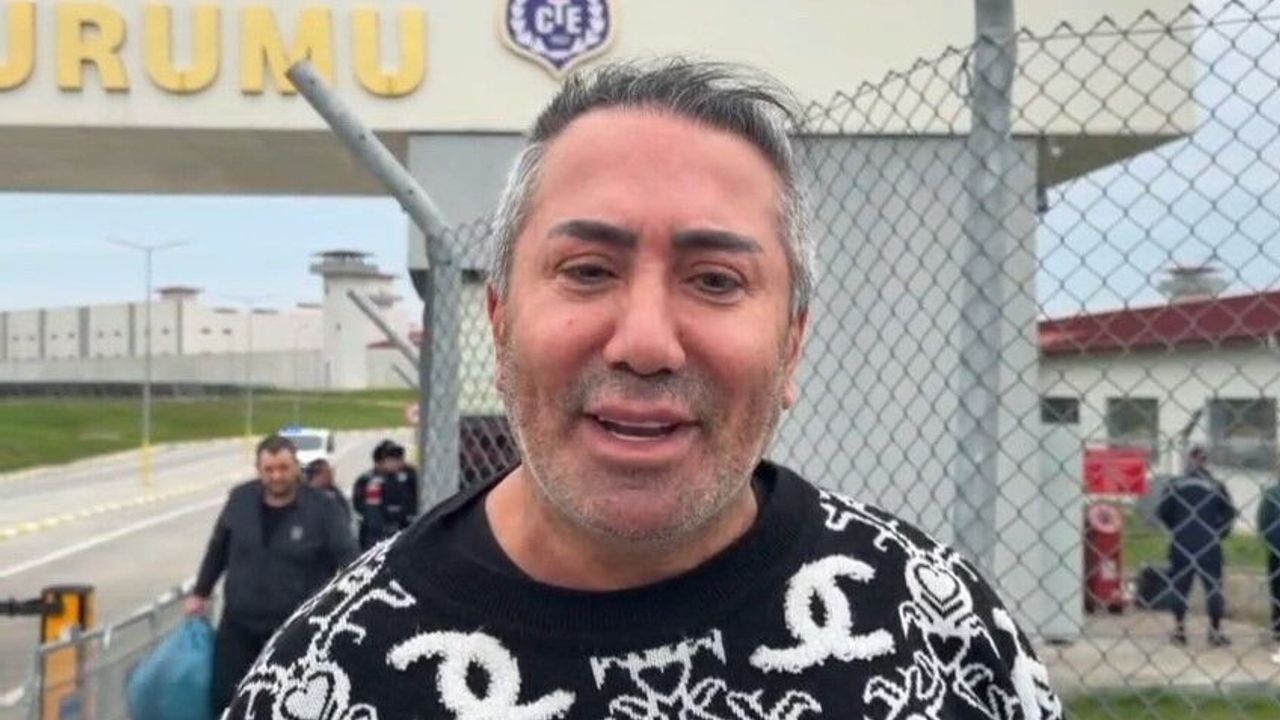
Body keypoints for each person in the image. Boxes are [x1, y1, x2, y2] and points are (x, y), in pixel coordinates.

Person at [225, 59, 1063, 719]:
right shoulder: (327, 678)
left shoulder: (940, 632)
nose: (646, 344)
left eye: (715, 280)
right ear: (501, 323)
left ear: (792, 346)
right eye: (588, 270)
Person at [185, 434, 359, 715]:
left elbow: (348, 559)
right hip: (239, 628)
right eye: (269, 469)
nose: (277, 476)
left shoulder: (324, 509)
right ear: (258, 470)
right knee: (228, 702)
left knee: (286, 707)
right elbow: (218, 548)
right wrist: (200, 592)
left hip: (295, 633)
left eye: (284, 468)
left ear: (296, 467)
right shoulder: (240, 499)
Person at [1158, 445, 1238, 646]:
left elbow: (1163, 512)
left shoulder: (1175, 485)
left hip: (1182, 542)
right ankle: (1214, 632)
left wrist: (1177, 528)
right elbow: (1229, 513)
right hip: (1209, 542)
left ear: (1188, 460)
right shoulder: (1216, 485)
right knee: (1213, 588)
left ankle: (1179, 631)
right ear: (1206, 461)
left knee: (1180, 588)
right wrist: (1219, 533)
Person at [351, 440, 419, 550]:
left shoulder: (409, 477)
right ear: (379, 462)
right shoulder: (371, 481)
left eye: (399, 458)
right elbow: (371, 516)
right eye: (391, 459)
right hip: (378, 536)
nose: (397, 462)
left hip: (406, 531)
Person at [1258, 462, 1280, 658]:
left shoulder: (1272, 493)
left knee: (1277, 590)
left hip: (1276, 549)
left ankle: (1278, 628)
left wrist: (1270, 541)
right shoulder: (1272, 493)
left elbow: (1263, 521)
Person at [305, 457, 352, 524]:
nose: (331, 475)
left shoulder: (336, 493)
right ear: (316, 475)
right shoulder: (305, 497)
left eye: (330, 472)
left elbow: (346, 516)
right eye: (328, 472)